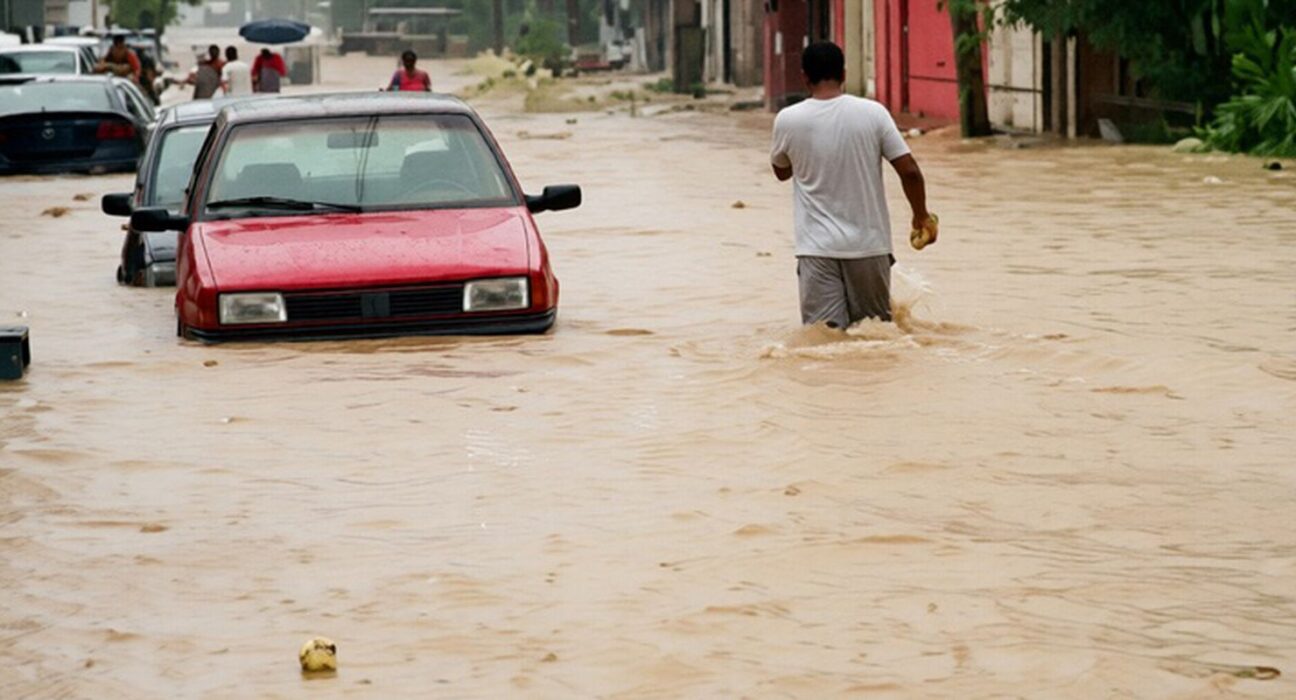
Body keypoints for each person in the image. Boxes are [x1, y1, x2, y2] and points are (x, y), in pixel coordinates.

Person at [769, 41, 933, 328]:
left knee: (825, 339)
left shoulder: (788, 120)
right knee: (875, 336)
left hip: (817, 250)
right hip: (869, 247)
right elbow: (910, 172)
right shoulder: (874, 113)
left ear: (804, 77)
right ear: (844, 74)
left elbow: (781, 172)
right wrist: (921, 215)